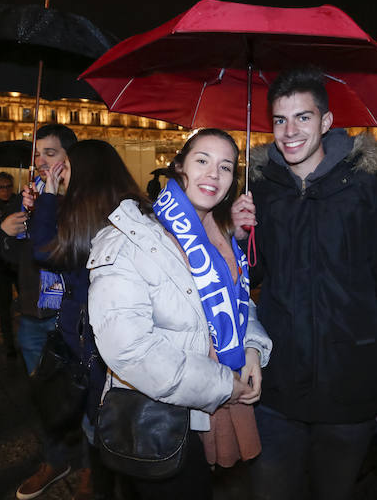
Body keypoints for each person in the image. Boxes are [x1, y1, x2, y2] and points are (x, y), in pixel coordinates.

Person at [233, 68, 377, 500]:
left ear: (326, 122)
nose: (289, 131)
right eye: (280, 120)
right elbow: (251, 276)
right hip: (277, 385)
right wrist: (240, 237)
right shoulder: (262, 190)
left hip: (351, 385)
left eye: (303, 117)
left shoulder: (367, 188)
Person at [88, 129, 272, 500]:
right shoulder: (130, 237)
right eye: (202, 160)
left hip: (212, 408)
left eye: (225, 167)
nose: (213, 175)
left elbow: (239, 302)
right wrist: (223, 385)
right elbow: (130, 348)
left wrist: (252, 347)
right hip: (160, 416)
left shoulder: (217, 234)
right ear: (178, 166)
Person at [13, 139, 126, 500]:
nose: (56, 170)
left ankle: (98, 476)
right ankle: (94, 471)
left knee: (92, 406)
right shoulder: (120, 207)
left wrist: (48, 195)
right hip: (92, 329)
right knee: (81, 404)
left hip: (89, 333)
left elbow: (45, 249)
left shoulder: (85, 214)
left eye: (62, 163)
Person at [0, 124, 78, 375]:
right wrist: (5, 233)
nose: (41, 161)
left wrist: (50, 208)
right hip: (32, 314)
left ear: (69, 157)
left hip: (68, 315)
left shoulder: (81, 200)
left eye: (50, 153)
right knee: (41, 397)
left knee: (74, 396)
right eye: (37, 154)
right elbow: (11, 258)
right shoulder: (25, 199)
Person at [0, 171, 21, 357]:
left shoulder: (21, 204)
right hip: (1, 265)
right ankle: (9, 344)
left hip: (19, 263)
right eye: (1, 187)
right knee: (5, 305)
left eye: (8, 186)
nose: (5, 191)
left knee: (26, 302)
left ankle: (26, 337)